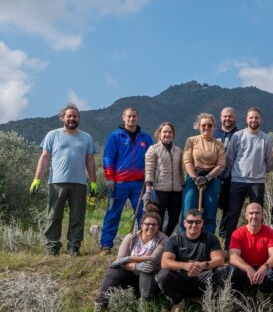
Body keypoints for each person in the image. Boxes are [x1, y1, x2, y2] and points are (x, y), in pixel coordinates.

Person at [30, 103, 97, 256]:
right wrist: (36, 179)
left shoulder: (86, 137)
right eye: (69, 116)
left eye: (75, 116)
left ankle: (74, 247)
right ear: (63, 118)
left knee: (77, 217)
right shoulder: (52, 134)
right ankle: (52, 248)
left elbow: (90, 161)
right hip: (56, 182)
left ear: (79, 118)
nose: (72, 118)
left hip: (79, 183)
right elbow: (45, 157)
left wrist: (93, 181)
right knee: (53, 216)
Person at [90, 211, 168, 312]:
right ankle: (100, 306)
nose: (150, 227)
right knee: (113, 271)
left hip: (150, 279)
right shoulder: (131, 237)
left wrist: (129, 258)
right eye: (147, 224)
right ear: (141, 225)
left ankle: (144, 309)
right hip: (130, 276)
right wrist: (136, 266)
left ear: (158, 226)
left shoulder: (163, 239)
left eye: (154, 224)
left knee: (148, 268)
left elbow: (153, 258)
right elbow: (119, 260)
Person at [100, 107, 153, 255]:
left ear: (138, 118)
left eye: (134, 116)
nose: (131, 119)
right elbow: (108, 157)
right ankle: (106, 245)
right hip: (119, 183)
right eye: (129, 116)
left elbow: (151, 159)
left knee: (144, 215)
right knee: (112, 214)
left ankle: (143, 246)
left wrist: (150, 181)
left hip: (140, 184)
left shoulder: (146, 138)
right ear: (123, 118)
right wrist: (109, 177)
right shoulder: (115, 136)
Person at [156, 209, 226, 312]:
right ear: (184, 223)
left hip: (204, 278)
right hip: (182, 278)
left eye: (198, 222)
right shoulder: (175, 239)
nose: (194, 225)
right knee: (163, 275)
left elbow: (219, 260)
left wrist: (203, 265)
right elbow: (165, 262)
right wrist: (185, 265)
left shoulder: (211, 238)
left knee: (222, 271)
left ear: (202, 223)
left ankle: (213, 304)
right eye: (190, 222)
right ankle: (178, 302)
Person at [224, 108, 273, 247]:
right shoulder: (238, 136)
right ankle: (229, 246)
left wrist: (259, 171)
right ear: (246, 119)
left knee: (258, 216)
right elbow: (229, 158)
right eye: (251, 118)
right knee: (233, 214)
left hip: (257, 182)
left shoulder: (266, 139)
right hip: (238, 181)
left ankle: (260, 246)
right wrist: (238, 172)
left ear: (260, 120)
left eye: (256, 118)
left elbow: (269, 162)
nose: (254, 120)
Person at [225, 203, 273, 298]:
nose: (254, 216)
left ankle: (262, 292)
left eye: (257, 213)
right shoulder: (238, 233)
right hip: (244, 271)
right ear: (246, 216)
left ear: (263, 215)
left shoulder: (269, 232)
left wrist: (264, 268)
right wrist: (248, 268)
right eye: (251, 213)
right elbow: (233, 257)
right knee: (231, 270)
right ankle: (239, 294)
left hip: (262, 271)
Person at [182, 113, 226, 234]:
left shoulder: (219, 145)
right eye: (203, 125)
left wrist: (207, 178)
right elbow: (187, 161)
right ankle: (183, 244)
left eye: (209, 125)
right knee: (188, 212)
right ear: (199, 126)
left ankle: (208, 245)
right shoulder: (191, 140)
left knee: (210, 214)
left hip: (212, 180)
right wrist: (195, 178)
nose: (206, 127)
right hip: (193, 178)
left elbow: (221, 165)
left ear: (214, 127)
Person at [144, 122, 183, 236]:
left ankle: (165, 238)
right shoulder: (153, 149)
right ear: (159, 133)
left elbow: (180, 170)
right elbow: (149, 168)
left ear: (173, 134)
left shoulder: (178, 150)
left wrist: (183, 185)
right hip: (159, 188)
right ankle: (157, 242)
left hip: (176, 190)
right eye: (164, 132)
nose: (167, 134)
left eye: (170, 132)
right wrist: (148, 187)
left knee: (175, 218)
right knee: (158, 218)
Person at [214, 107, 238, 241]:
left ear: (235, 118)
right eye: (225, 116)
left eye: (230, 116)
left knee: (229, 211)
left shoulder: (240, 134)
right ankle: (209, 240)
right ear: (221, 117)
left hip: (232, 178)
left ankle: (225, 240)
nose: (227, 119)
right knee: (210, 209)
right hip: (213, 178)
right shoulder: (213, 132)